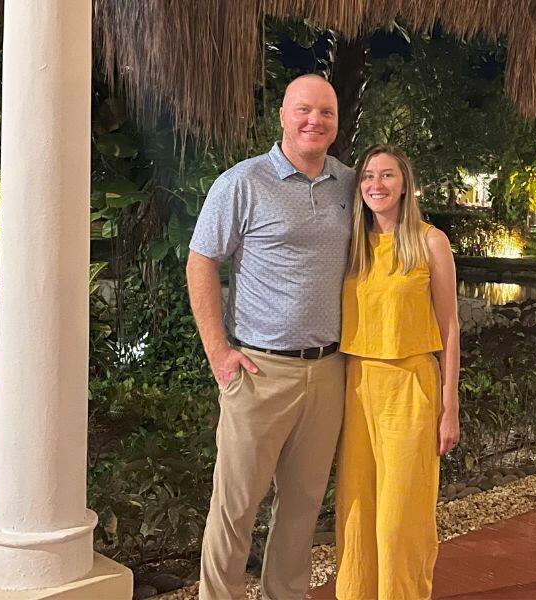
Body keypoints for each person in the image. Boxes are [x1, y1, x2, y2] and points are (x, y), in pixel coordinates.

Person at [186, 74, 355, 600]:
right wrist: (219, 352)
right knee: (236, 507)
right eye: (304, 110)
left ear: (335, 121)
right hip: (259, 372)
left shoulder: (351, 185)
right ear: (282, 114)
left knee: (304, 505)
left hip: (328, 369)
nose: (315, 121)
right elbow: (201, 261)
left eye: (325, 113)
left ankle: (286, 594)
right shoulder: (242, 182)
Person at [334, 145, 461, 600]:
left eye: (387, 175)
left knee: (401, 517)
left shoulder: (430, 241)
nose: (376, 185)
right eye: (368, 176)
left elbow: (448, 325)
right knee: (356, 510)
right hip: (357, 385)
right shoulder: (353, 245)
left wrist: (450, 405)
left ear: (404, 183)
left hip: (410, 387)